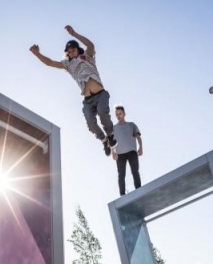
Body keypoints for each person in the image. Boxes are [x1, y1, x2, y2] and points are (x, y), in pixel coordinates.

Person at [30, 25, 117, 156]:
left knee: (101, 111)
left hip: (101, 94)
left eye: (73, 50)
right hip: (87, 100)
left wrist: (74, 34)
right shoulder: (68, 65)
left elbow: (91, 44)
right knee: (90, 124)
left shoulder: (87, 55)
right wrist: (38, 54)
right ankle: (103, 139)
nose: (71, 53)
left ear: (77, 49)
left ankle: (110, 134)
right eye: (69, 52)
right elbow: (50, 63)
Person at [111, 105, 142, 195]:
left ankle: (139, 191)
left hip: (132, 152)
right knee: (121, 175)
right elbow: (111, 142)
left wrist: (140, 147)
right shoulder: (114, 128)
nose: (118, 116)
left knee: (135, 172)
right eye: (117, 114)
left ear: (124, 114)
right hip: (120, 154)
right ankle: (122, 195)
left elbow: (138, 137)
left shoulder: (131, 125)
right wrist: (113, 153)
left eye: (120, 113)